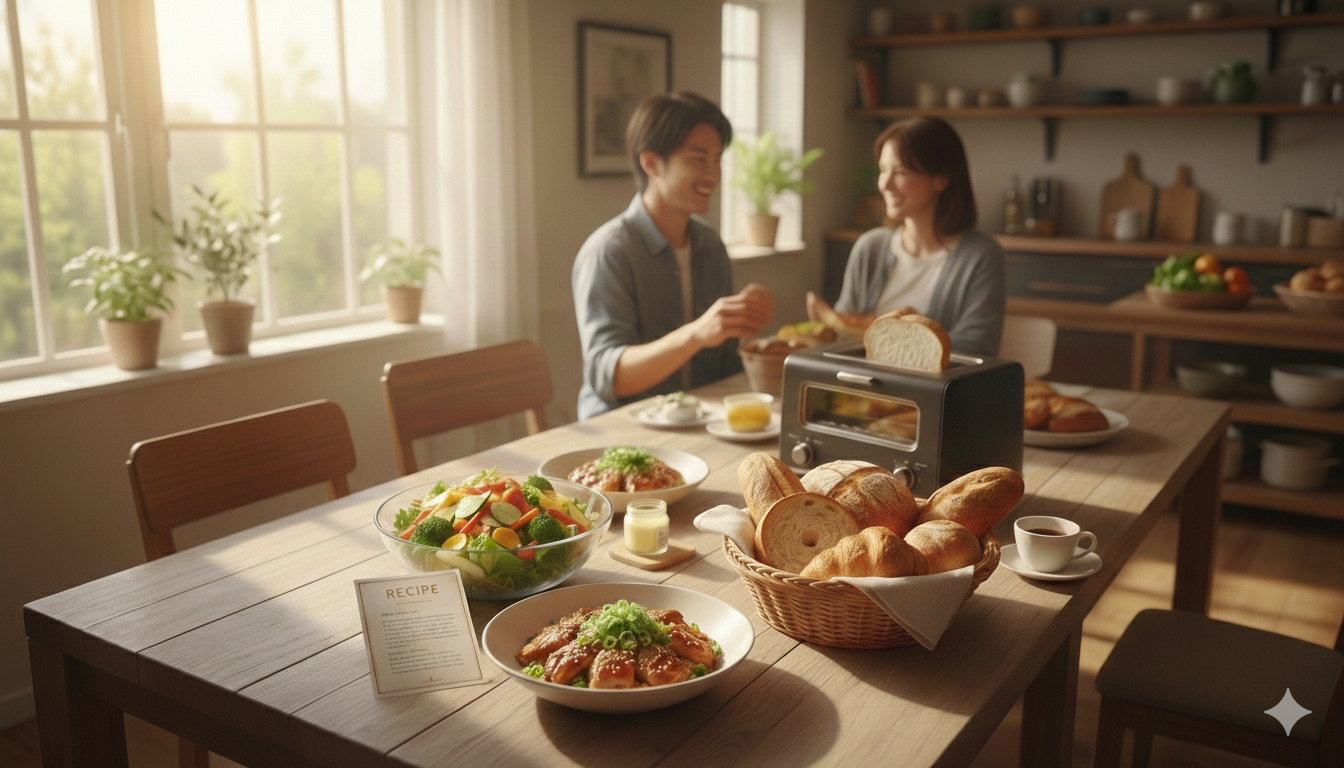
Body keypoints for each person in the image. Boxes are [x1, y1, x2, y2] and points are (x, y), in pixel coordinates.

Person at [572, 92, 775, 419]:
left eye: (717, 159)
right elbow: (609, 376)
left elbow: (725, 366)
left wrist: (746, 324)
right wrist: (697, 333)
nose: (714, 175)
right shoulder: (609, 252)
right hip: (622, 435)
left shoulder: (710, 246)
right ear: (651, 162)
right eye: (698, 159)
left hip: (698, 421)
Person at [831, 117, 1005, 356]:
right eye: (883, 170)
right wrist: (826, 326)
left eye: (900, 172)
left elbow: (978, 344)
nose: (885, 184)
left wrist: (891, 346)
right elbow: (843, 331)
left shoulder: (980, 256)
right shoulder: (869, 247)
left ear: (941, 179)